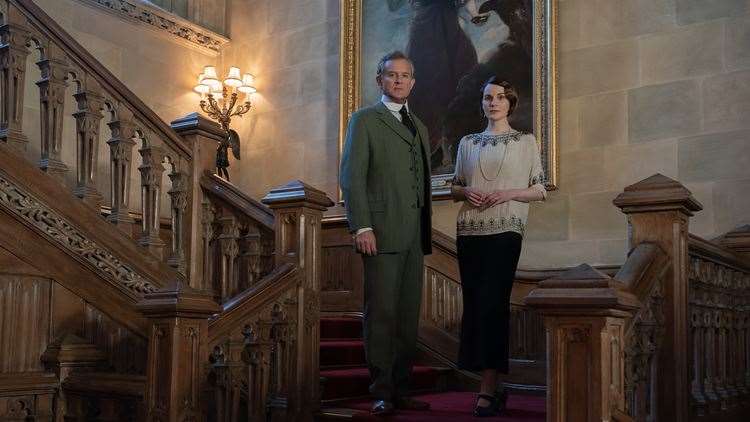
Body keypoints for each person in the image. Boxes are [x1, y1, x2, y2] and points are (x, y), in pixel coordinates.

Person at [340, 51, 433, 416]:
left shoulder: (420, 126)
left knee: (407, 317)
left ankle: (402, 388)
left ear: (413, 82)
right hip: (379, 231)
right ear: (379, 79)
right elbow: (352, 176)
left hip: (414, 236)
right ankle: (381, 391)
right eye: (392, 75)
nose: (399, 80)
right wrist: (361, 225)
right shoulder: (364, 119)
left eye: (405, 75)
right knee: (381, 315)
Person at [450, 77, 545, 417]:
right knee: (476, 306)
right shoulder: (467, 143)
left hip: (506, 230)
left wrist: (507, 194)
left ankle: (487, 388)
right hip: (469, 231)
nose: (493, 102)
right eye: (488, 97)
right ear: (482, 103)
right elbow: (455, 187)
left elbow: (539, 189)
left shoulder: (525, 141)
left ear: (510, 103)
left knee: (494, 304)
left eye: (500, 97)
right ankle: (493, 385)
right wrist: (466, 191)